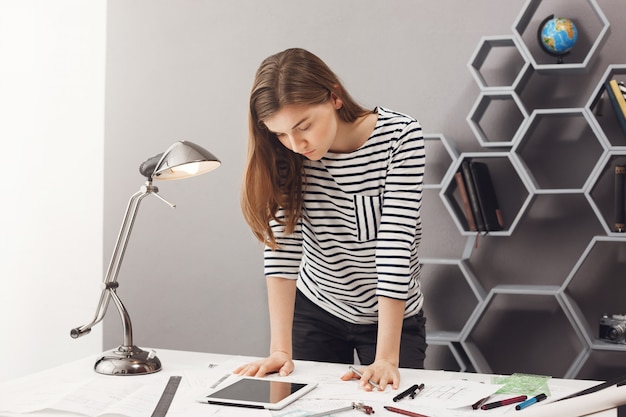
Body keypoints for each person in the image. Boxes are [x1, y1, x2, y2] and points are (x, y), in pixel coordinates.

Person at [236, 47, 426, 391]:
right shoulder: (286, 154)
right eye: (279, 133)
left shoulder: (401, 137)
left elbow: (395, 246)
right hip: (318, 307)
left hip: (391, 315)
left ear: (334, 96)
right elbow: (282, 248)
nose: (295, 144)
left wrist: (385, 357)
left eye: (303, 126)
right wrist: (279, 349)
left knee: (392, 402)